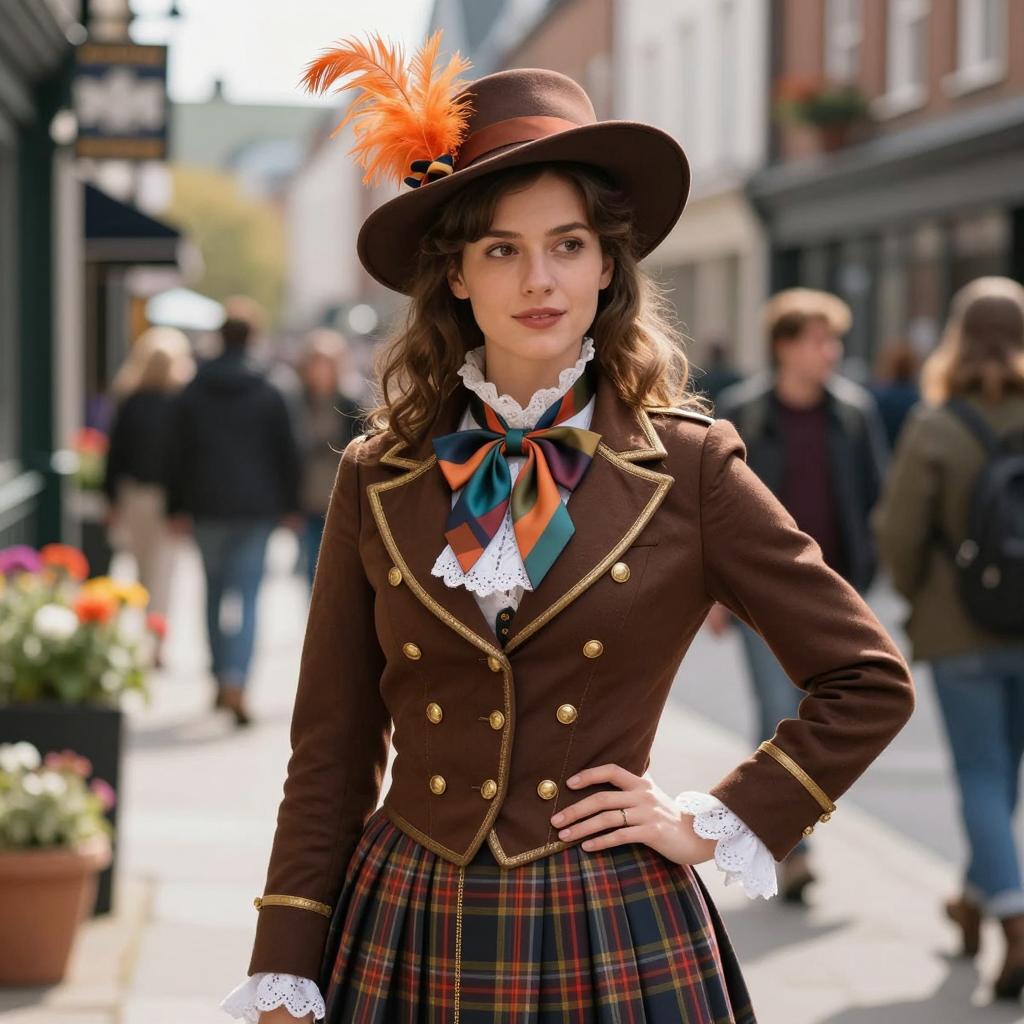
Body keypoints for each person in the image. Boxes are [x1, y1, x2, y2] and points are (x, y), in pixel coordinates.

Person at [221, 32, 914, 1023]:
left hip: (611, 918)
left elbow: (866, 677)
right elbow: (330, 745)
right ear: (455, 274)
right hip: (409, 915)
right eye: (501, 248)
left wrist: (714, 819)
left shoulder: (690, 465)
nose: (538, 278)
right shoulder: (377, 475)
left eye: (567, 245)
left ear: (604, 268)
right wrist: (286, 958)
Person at [709, 288, 890, 902]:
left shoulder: (854, 413)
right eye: (819, 339)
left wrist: (869, 579)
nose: (831, 352)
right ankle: (794, 850)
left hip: (836, 595)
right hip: (762, 599)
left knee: (830, 715)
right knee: (775, 716)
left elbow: (875, 498)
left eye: (834, 340)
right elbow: (716, 516)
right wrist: (713, 594)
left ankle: (789, 835)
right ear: (785, 345)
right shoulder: (744, 414)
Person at [873, 276, 1024, 1001]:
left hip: (959, 629)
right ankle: (975, 900)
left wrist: (919, 596)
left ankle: (1011, 913)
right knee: (1004, 780)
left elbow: (897, 535)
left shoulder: (936, 426)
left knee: (981, 776)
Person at [166, 297, 302, 727]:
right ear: (253, 337)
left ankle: (217, 679)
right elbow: (289, 450)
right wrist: (291, 505)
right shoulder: (274, 386)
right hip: (257, 509)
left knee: (212, 594)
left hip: (206, 507)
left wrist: (176, 506)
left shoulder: (193, 387)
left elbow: (176, 453)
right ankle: (237, 680)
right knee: (247, 597)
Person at [103, 326, 195, 667]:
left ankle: (146, 637)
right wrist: (183, 507)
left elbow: (114, 456)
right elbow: (186, 461)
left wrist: (110, 500)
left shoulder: (129, 402)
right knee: (163, 573)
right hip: (165, 499)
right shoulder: (181, 405)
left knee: (140, 570)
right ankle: (155, 642)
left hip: (132, 496)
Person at [295, 328, 365, 587]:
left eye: (327, 363)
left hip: (340, 497)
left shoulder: (350, 404)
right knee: (310, 568)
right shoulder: (296, 401)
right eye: (316, 362)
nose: (321, 370)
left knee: (339, 570)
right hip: (306, 497)